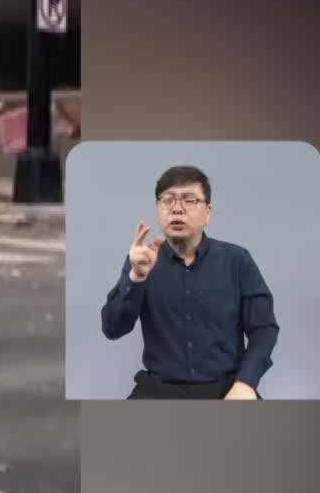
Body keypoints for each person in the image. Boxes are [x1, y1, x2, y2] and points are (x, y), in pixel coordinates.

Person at [100, 165, 279, 400]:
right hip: (159, 389)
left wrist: (246, 383)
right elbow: (112, 329)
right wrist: (136, 278)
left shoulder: (237, 261)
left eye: (189, 200)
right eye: (168, 200)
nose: (177, 208)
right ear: (158, 209)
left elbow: (264, 328)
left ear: (208, 212)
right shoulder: (141, 261)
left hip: (226, 388)